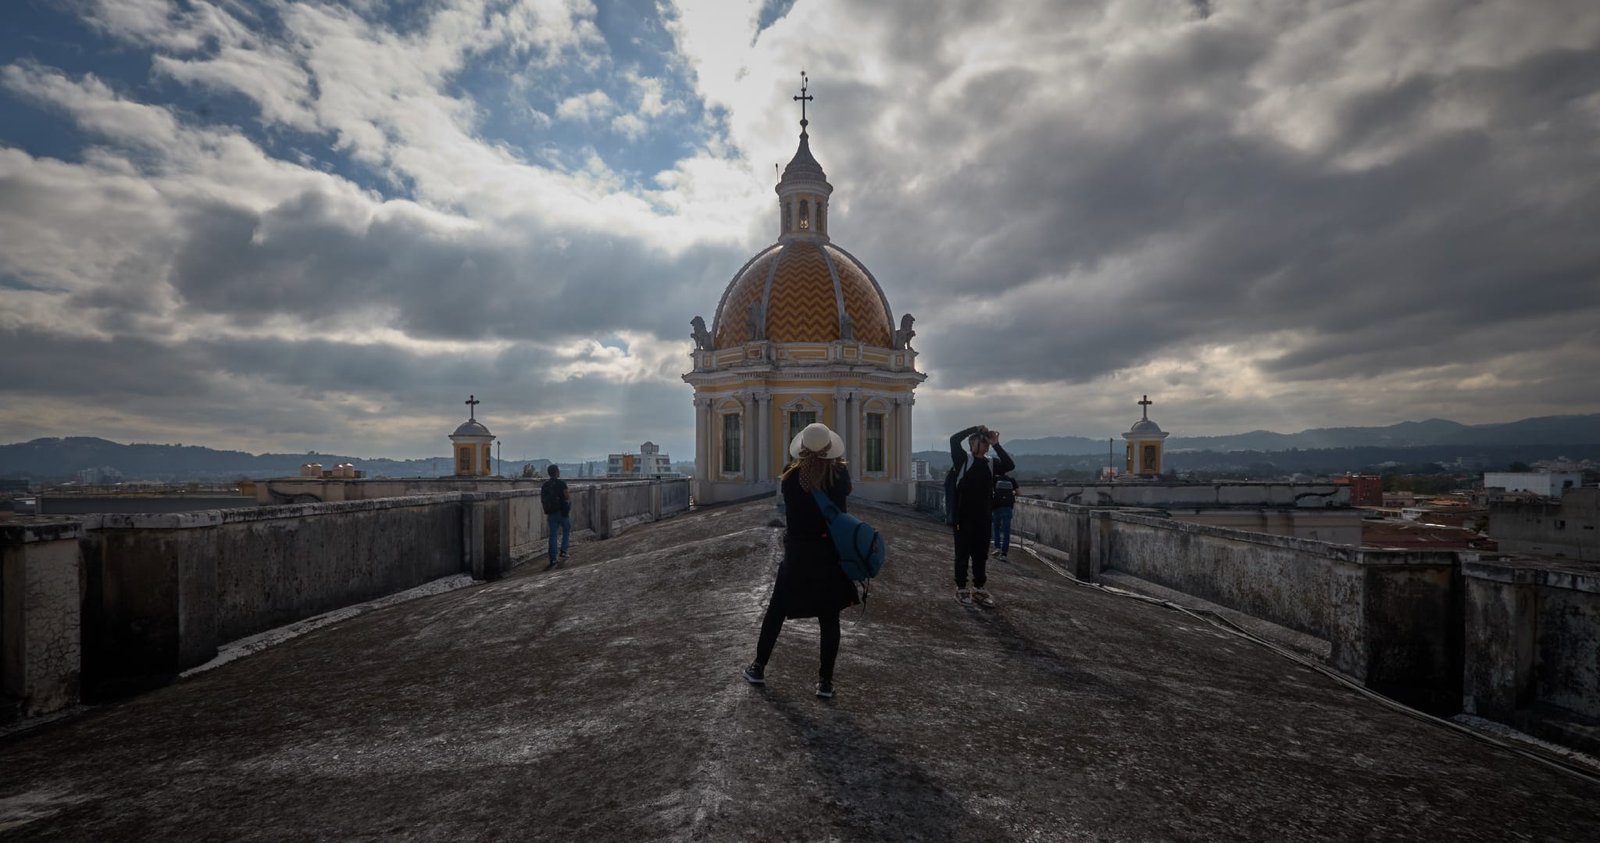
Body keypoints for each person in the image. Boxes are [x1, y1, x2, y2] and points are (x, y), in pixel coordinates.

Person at [742, 422, 860, 699]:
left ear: (802, 449)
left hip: (797, 555)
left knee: (776, 611)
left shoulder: (789, 478)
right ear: (830, 449)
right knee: (829, 619)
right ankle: (825, 682)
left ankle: (758, 667)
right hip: (829, 554)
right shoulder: (839, 476)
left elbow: (797, 483)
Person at [946, 425, 1014, 607]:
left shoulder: (990, 463)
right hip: (963, 518)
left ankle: (979, 588)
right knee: (962, 555)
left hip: (983, 518)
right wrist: (974, 429)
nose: (986, 446)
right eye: (982, 442)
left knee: (980, 555)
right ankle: (961, 588)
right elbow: (953, 439)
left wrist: (997, 444)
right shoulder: (963, 460)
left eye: (987, 443)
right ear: (972, 443)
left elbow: (1010, 465)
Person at [541, 464, 571, 569]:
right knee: (566, 530)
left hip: (551, 513)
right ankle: (563, 551)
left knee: (553, 535)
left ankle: (553, 558)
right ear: (557, 472)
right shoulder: (561, 483)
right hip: (562, 512)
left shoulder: (545, 485)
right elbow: (567, 496)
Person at [992, 467, 1018, 561]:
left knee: (996, 528)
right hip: (1008, 507)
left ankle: (997, 547)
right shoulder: (1012, 480)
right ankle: (1004, 554)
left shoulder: (994, 479)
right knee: (1006, 531)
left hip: (997, 506)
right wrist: (1011, 494)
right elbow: (1019, 492)